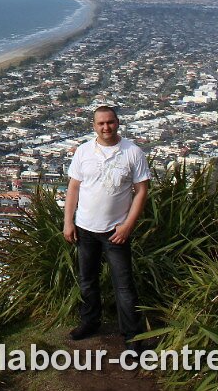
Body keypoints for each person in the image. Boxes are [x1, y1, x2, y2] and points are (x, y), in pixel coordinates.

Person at [63, 105, 150, 349]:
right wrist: (68, 222)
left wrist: (127, 227)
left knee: (124, 285)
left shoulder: (132, 152)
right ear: (94, 126)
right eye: (101, 123)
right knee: (87, 280)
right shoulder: (83, 152)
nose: (106, 127)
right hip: (85, 228)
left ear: (118, 123)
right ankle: (90, 322)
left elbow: (141, 191)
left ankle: (133, 337)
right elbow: (73, 188)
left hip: (116, 232)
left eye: (110, 122)